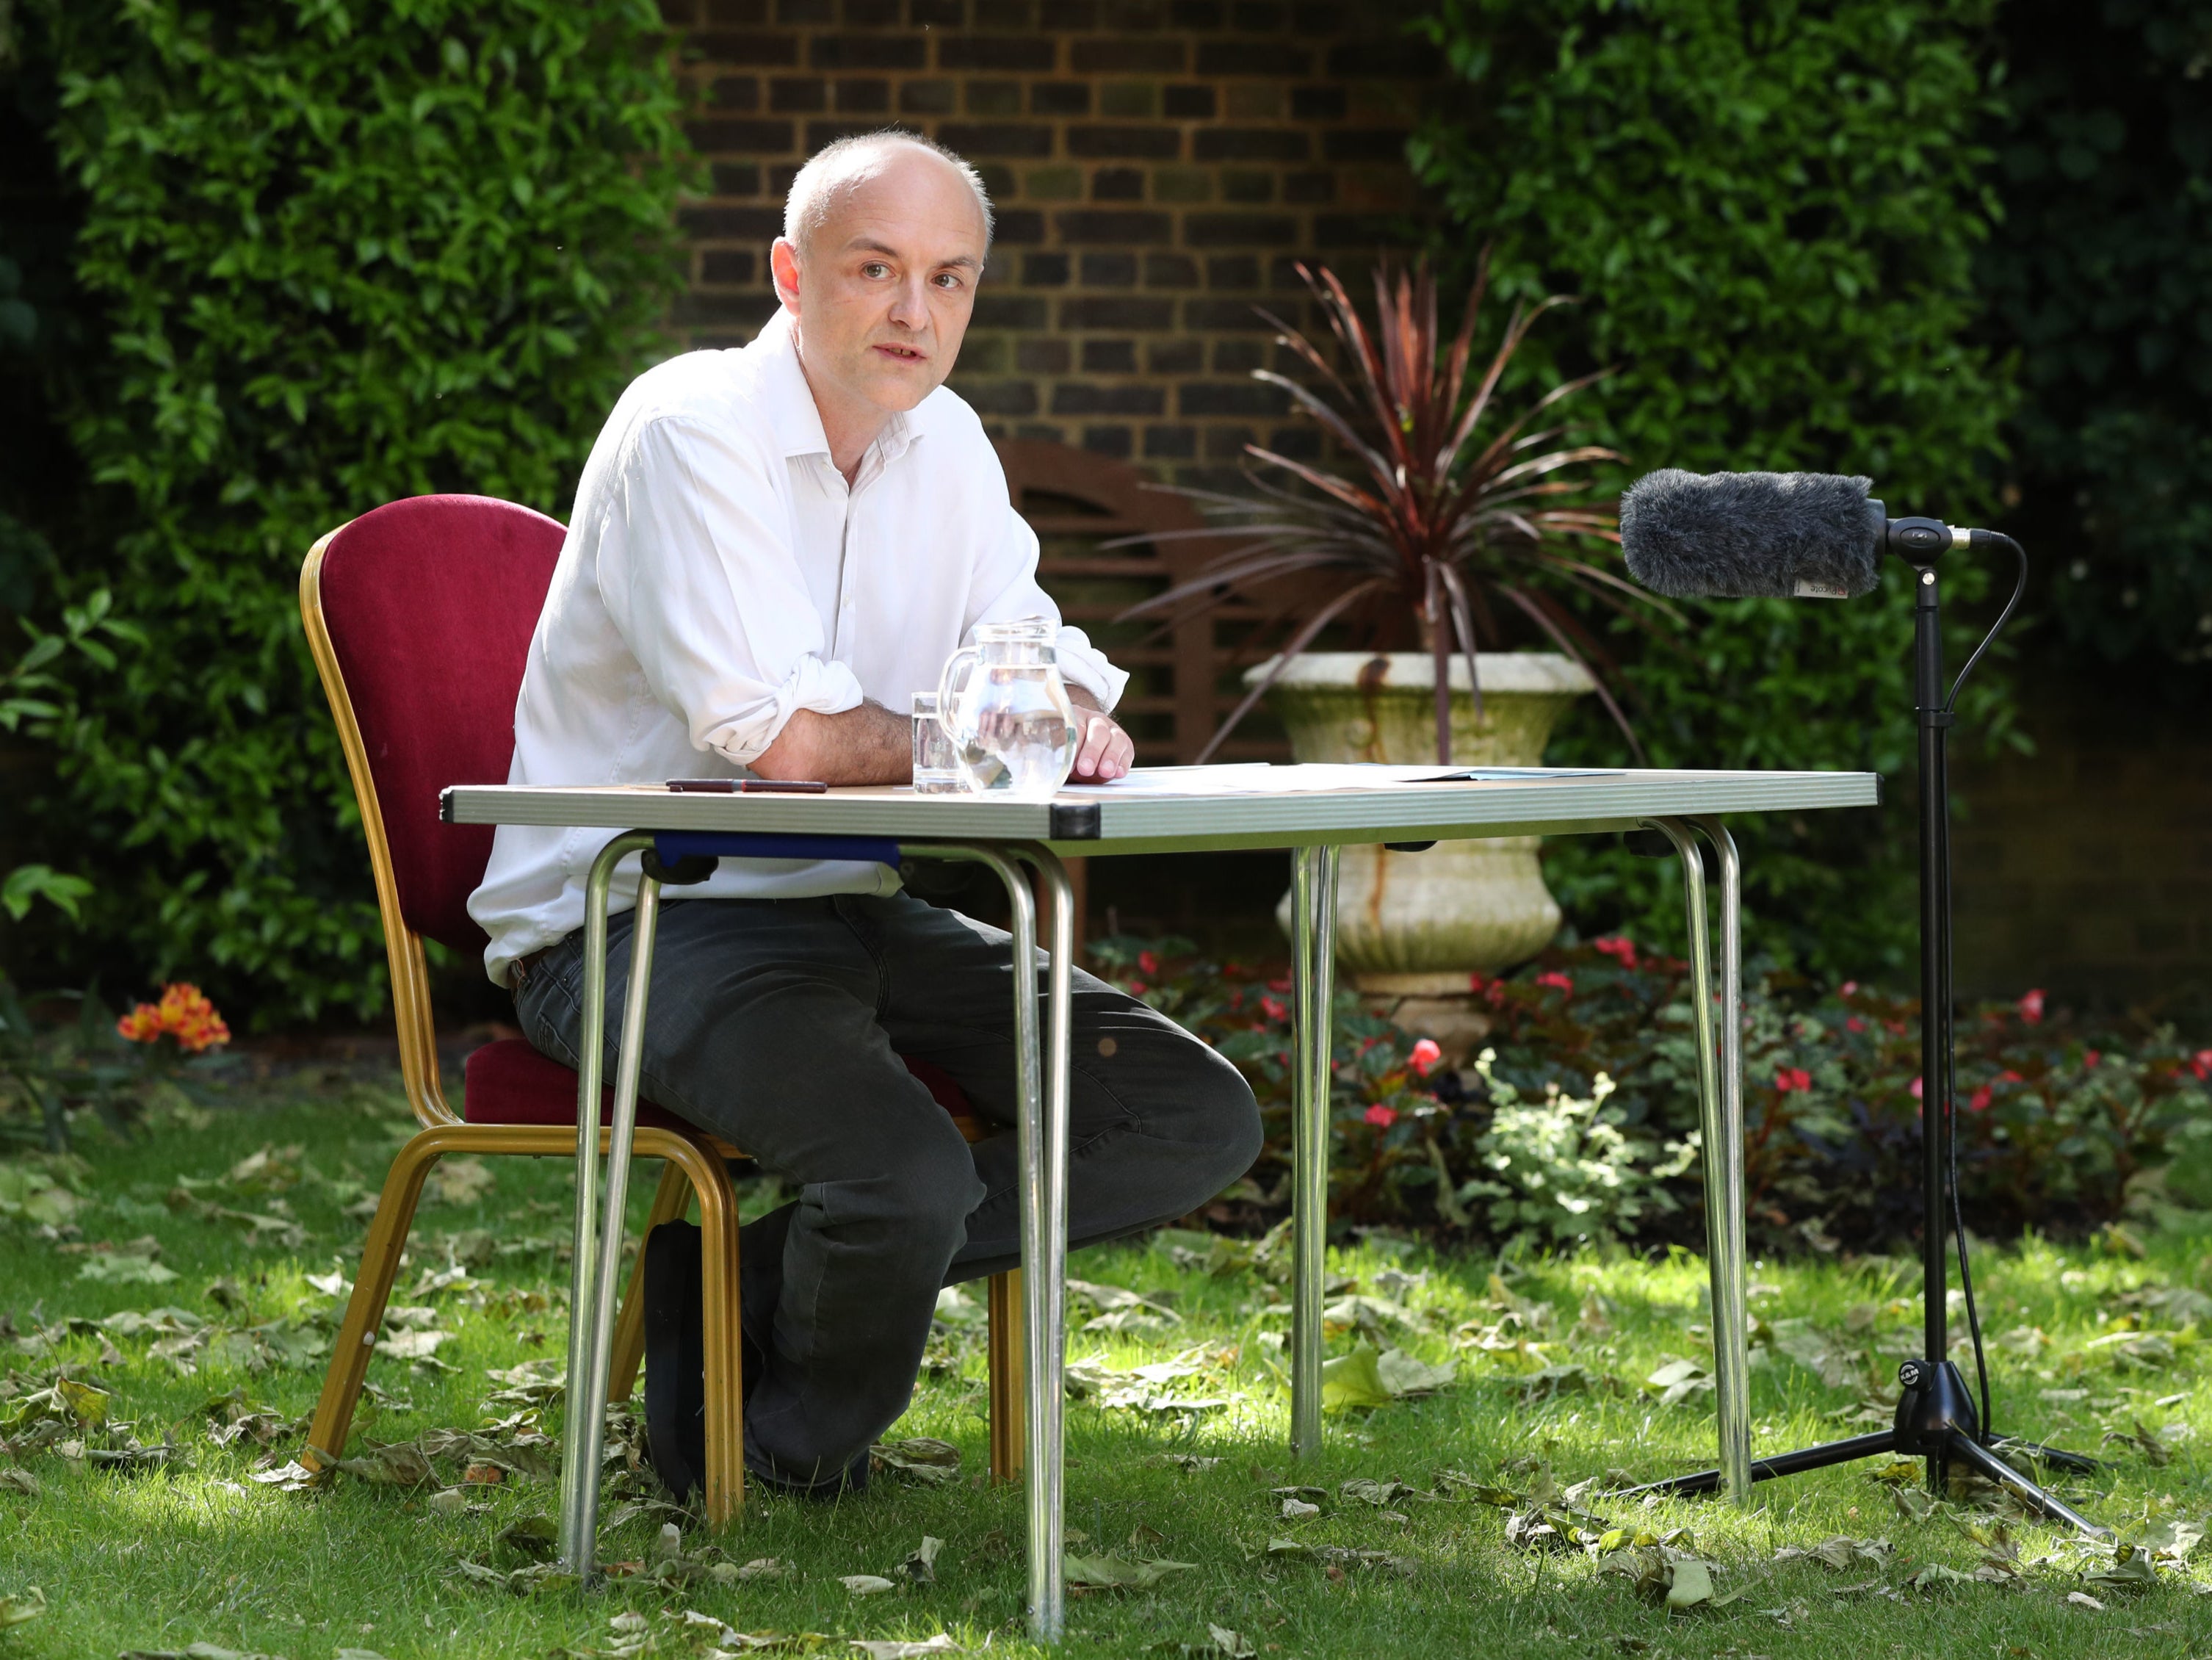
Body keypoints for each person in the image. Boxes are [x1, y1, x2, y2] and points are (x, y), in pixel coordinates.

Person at [468, 131, 1262, 1495]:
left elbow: (1043, 657)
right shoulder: (688, 430)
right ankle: (772, 1458)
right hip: (641, 917)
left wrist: (1057, 714)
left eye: (950, 280)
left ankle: (733, 1295)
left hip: (852, 904)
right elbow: (786, 746)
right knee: (904, 1177)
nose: (915, 313)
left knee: (1190, 1117)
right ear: (790, 273)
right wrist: (997, 735)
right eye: (877, 269)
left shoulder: (942, 441)